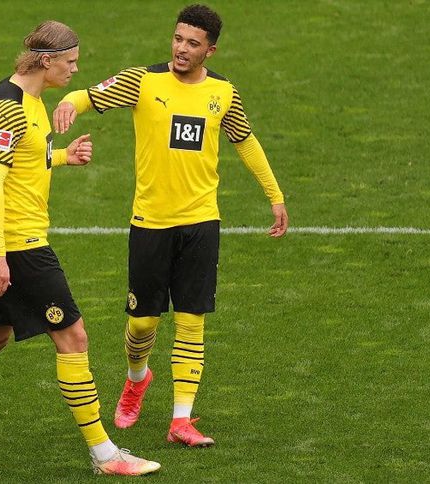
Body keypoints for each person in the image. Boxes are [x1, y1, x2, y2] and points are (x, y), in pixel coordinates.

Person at [0, 21, 160, 477]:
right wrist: (0, 255)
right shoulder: (8, 109)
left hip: (13, 242)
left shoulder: (33, 100)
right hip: (18, 246)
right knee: (73, 337)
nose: (75, 69)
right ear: (46, 60)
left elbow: (25, 161)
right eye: (71, 61)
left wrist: (64, 157)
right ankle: (105, 454)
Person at [53, 4, 289, 447]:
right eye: (178, 39)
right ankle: (137, 378)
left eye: (192, 43)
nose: (181, 48)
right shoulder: (142, 81)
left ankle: (181, 420)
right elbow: (88, 95)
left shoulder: (223, 93)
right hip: (151, 223)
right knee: (143, 324)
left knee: (191, 318)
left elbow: (245, 141)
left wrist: (274, 196)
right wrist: (68, 103)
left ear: (210, 50)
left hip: (201, 221)